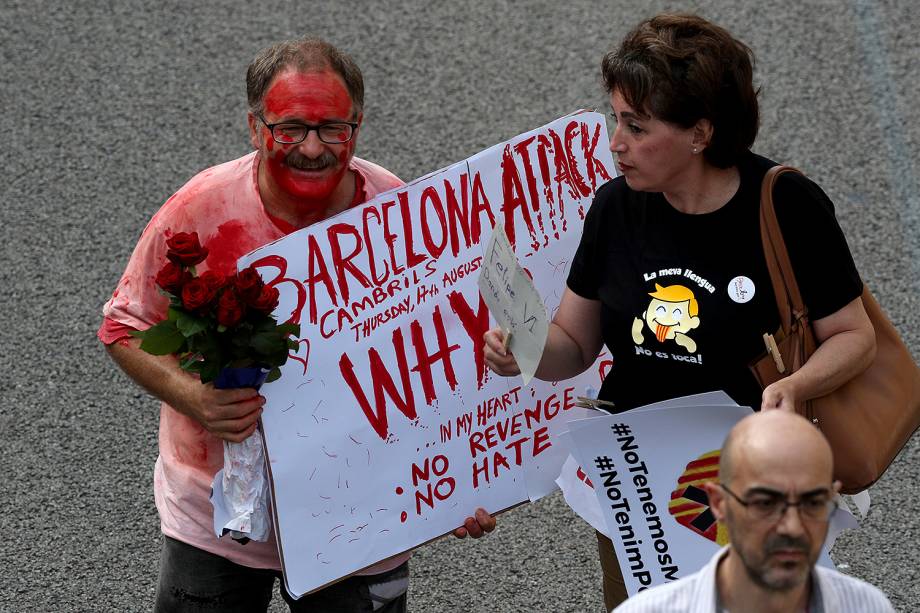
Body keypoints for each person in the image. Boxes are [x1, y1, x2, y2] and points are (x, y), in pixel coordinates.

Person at [483, 13, 875, 610]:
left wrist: (795, 386)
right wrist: (526, 353)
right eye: (616, 118)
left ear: (700, 133)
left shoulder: (786, 204)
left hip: (754, 482)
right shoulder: (615, 207)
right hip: (636, 479)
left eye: (636, 127)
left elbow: (853, 337)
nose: (615, 142)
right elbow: (576, 344)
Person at [100, 36, 494, 612]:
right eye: (291, 128)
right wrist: (196, 398)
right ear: (256, 127)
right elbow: (123, 327)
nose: (313, 148)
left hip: (362, 518)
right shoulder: (200, 210)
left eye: (333, 128)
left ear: (357, 125)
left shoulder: (398, 212)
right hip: (215, 516)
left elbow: (442, 353)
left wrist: (464, 482)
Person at [612, 410, 894, 612]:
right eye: (765, 504)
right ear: (719, 504)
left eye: (812, 502)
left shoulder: (869, 606)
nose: (792, 527)